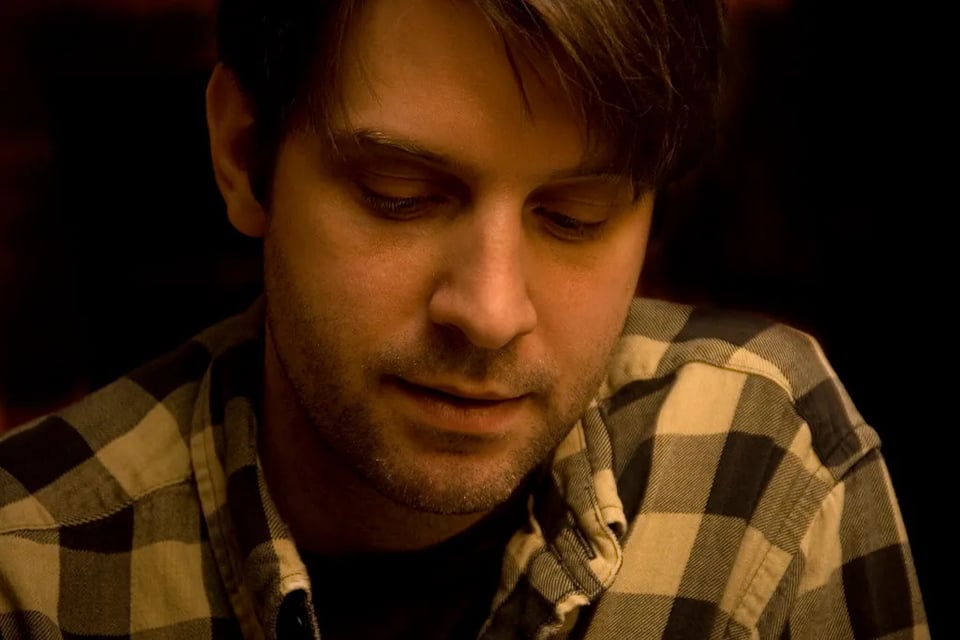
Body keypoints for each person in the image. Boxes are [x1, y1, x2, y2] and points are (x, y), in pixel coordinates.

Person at [0, 0, 927, 638]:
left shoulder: (762, 451)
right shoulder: (29, 573)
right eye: (400, 195)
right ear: (244, 157)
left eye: (576, 218)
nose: (489, 313)